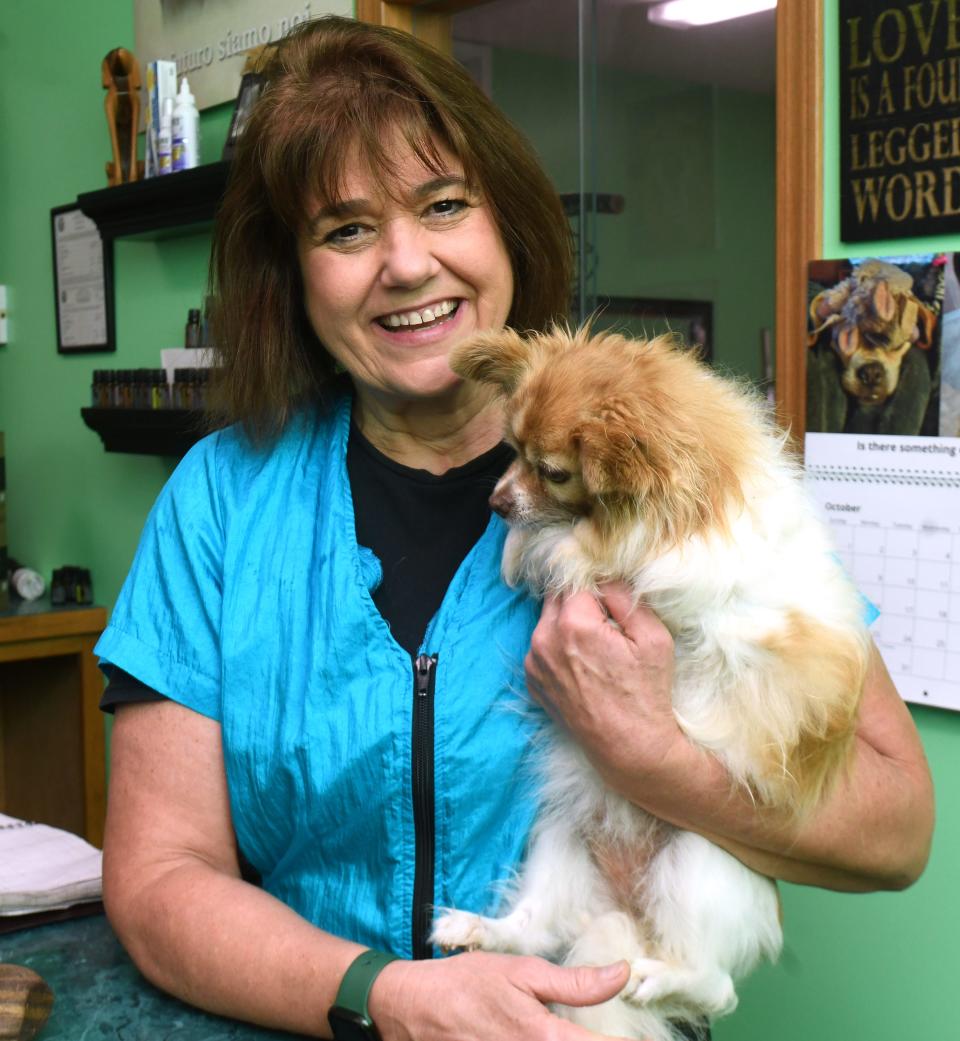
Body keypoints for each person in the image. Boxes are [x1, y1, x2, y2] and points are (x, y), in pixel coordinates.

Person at [97, 15, 934, 1041]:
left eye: (444, 205)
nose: (407, 264)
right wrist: (387, 995)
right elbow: (156, 880)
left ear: (509, 226)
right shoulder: (221, 503)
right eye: (346, 229)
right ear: (296, 276)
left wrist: (650, 757)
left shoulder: (674, 482)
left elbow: (896, 832)